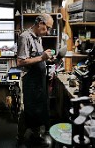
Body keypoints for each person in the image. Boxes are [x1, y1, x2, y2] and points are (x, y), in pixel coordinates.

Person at [16, 13, 55, 147]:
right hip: (30, 82)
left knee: (40, 109)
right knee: (29, 110)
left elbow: (37, 56)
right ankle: (21, 140)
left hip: (39, 80)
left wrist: (47, 58)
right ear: (40, 23)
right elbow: (20, 62)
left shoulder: (38, 37)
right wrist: (42, 58)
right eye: (47, 28)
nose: (48, 31)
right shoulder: (24, 37)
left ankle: (36, 134)